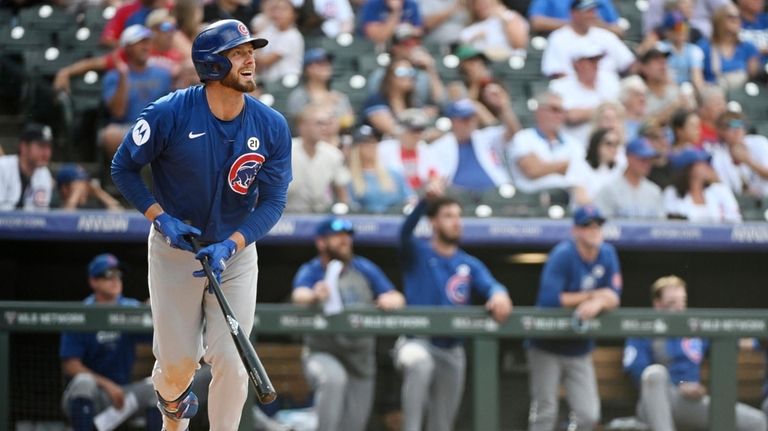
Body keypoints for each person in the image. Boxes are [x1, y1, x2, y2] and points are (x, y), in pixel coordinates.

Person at [111, 19, 292, 431]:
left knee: (233, 358)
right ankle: (172, 415)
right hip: (177, 249)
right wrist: (161, 217)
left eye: (251, 51)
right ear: (212, 65)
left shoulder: (271, 125)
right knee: (177, 365)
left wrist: (233, 244)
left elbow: (275, 200)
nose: (251, 60)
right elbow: (123, 167)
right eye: (238, 53)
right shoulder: (168, 112)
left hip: (235, 252)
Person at [395, 181, 513, 431]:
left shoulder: (468, 263)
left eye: (458, 216)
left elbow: (491, 285)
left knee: (443, 423)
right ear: (434, 222)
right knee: (419, 363)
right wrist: (424, 203)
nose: (456, 222)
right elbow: (404, 234)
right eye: (448, 216)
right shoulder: (419, 253)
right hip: (417, 340)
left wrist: (500, 295)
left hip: (452, 348)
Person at [291, 217, 405, 431]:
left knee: (353, 424)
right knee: (334, 379)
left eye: (347, 237)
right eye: (338, 237)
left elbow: (397, 297)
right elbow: (299, 294)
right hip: (323, 352)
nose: (345, 241)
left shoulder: (363, 268)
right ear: (321, 243)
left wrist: (390, 300)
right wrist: (314, 294)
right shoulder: (313, 269)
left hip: (360, 359)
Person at [623, 275, 768, 431]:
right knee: (655, 374)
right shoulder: (643, 329)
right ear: (657, 304)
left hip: (688, 403)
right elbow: (639, 372)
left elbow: (735, 341)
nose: (679, 308)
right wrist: (679, 385)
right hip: (654, 403)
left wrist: (759, 340)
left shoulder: (693, 329)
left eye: (682, 302)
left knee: (757, 422)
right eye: (672, 303)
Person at [527, 204, 622, 431]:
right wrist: (592, 295)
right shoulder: (563, 254)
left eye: (598, 225)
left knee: (589, 415)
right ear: (575, 231)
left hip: (579, 347)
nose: (594, 229)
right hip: (546, 344)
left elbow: (614, 296)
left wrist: (599, 302)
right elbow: (550, 299)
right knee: (545, 410)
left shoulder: (608, 253)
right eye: (587, 225)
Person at [60, 253, 160, 431]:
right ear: (94, 282)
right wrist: (108, 386)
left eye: (118, 274)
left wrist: (154, 310)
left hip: (123, 396)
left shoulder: (131, 308)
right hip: (93, 395)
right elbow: (71, 366)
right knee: (84, 382)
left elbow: (156, 339)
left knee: (158, 390)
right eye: (107, 275)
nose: (115, 280)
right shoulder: (82, 313)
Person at [100, 24, 174, 158]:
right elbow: (118, 112)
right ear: (127, 47)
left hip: (158, 128)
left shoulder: (164, 74)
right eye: (139, 43)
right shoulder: (114, 76)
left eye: (147, 42)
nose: (145, 47)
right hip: (128, 129)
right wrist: (123, 76)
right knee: (109, 135)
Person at [425, 98, 515, 193]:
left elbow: (512, 132)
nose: (470, 122)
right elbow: (436, 177)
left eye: (473, 118)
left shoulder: (484, 136)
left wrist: (503, 107)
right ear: (453, 121)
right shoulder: (438, 146)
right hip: (459, 196)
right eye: (465, 119)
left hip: (496, 191)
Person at [663, 148, 742, 222]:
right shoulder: (672, 192)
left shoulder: (720, 190)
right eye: (703, 163)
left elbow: (735, 221)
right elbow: (672, 223)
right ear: (691, 168)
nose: (708, 166)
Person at [594, 137, 665, 219]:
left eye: (649, 159)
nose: (647, 164)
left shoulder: (654, 191)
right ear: (629, 157)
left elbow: (659, 228)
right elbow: (601, 225)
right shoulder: (610, 189)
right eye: (642, 159)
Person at [0, 123, 54, 211]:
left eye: (49, 147)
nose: (46, 153)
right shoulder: (2, 168)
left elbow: (41, 217)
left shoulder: (44, 174)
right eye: (41, 146)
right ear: (24, 147)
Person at [54, 164, 124, 210]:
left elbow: (121, 216)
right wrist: (76, 193)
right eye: (79, 185)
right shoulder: (53, 206)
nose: (84, 189)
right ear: (64, 189)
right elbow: (64, 220)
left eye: (85, 185)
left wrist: (100, 193)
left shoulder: (91, 208)